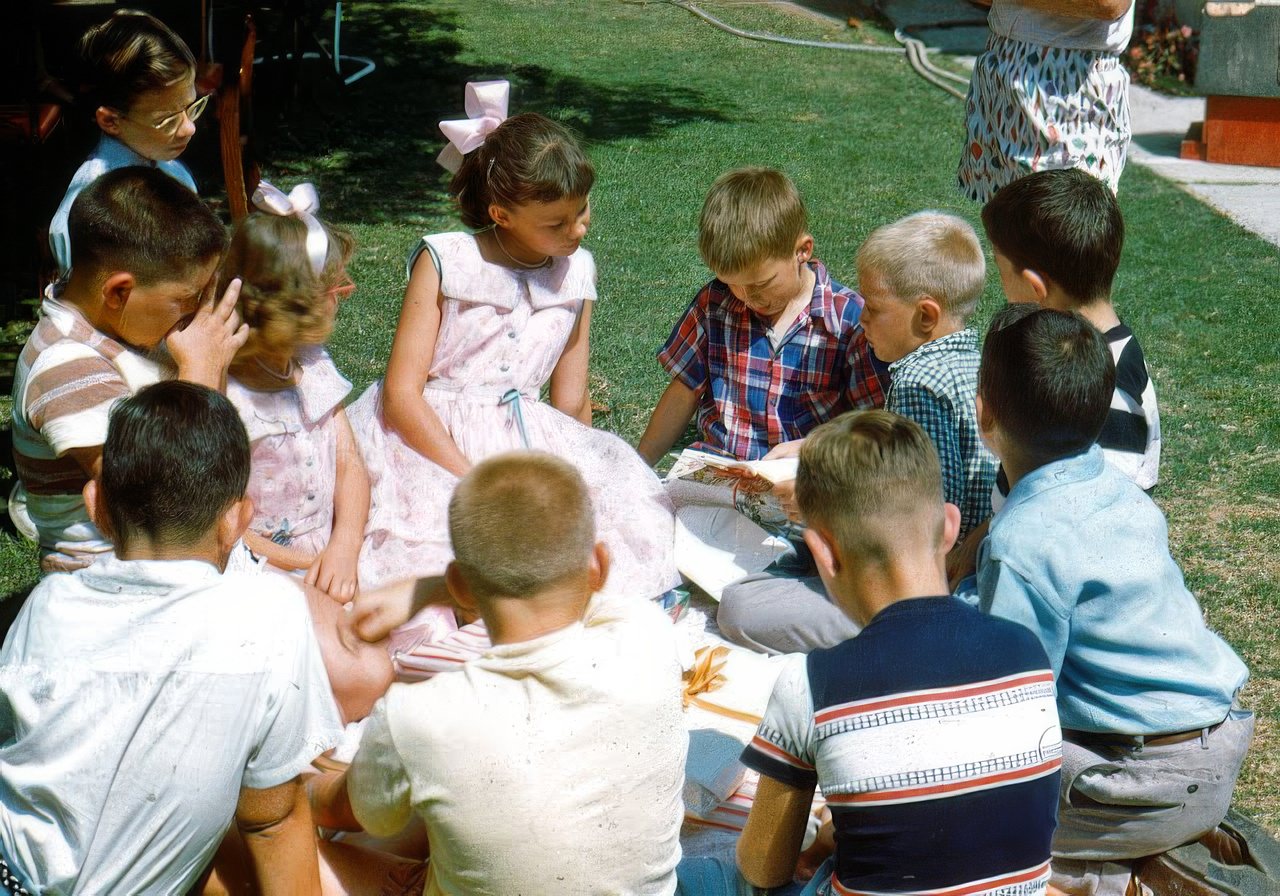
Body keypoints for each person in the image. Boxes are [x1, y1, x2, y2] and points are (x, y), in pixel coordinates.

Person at [0, 381, 343, 894]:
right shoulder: (271, 612)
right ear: (237, 520)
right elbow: (272, 820)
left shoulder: (47, 605)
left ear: (97, 506)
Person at [348, 79, 677, 613]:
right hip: (434, 444)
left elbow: (570, 401)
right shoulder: (446, 259)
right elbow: (402, 394)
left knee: (608, 535)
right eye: (558, 223)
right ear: (501, 215)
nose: (579, 230)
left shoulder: (578, 274)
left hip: (528, 436)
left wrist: (582, 471)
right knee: (441, 555)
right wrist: (469, 475)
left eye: (583, 211)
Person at [966, 305, 1252, 896]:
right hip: (1213, 744)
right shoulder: (1118, 492)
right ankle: (1167, 846)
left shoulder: (1021, 543)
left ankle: (1122, 878)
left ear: (985, 410)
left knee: (959, 821)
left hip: (1146, 781)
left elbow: (1011, 708)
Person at [309, 451, 687, 896]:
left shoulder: (419, 715)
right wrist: (439, 588)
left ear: (461, 586)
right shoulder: (651, 635)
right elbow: (576, 589)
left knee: (263, 835)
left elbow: (336, 809)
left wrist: (285, 781)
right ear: (599, 565)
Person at [728, 410, 1061, 896]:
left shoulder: (811, 684)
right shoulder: (1027, 652)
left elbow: (762, 869)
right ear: (949, 527)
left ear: (824, 553)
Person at [717, 212, 995, 655]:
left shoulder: (917, 383)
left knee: (741, 605)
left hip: (925, 595)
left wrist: (812, 501)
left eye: (874, 307)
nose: (861, 318)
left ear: (925, 316)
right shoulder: (970, 363)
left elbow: (926, 511)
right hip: (955, 582)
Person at [11, 166, 246, 572]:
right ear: (119, 291)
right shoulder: (66, 364)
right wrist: (202, 372)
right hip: (114, 581)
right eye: (189, 298)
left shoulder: (121, 323)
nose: (196, 313)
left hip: (176, 560)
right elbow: (160, 502)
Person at [949, 167, 1160, 585]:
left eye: (1000, 268)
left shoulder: (1108, 395)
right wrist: (982, 535)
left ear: (1034, 287)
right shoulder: (1082, 359)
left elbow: (1085, 528)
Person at [637, 166, 886, 466]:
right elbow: (685, 390)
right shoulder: (714, 303)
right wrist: (639, 464)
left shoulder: (848, 320)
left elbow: (874, 422)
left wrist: (816, 448)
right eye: (732, 283)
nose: (745, 296)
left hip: (809, 477)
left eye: (760, 284)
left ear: (802, 251)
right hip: (722, 469)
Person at [222, 181, 370, 603]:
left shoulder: (312, 366)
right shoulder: (226, 398)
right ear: (299, 307)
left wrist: (343, 546)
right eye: (337, 291)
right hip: (258, 569)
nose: (343, 298)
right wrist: (304, 568)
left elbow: (350, 466)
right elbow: (221, 524)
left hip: (331, 554)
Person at [49, 9, 205, 275]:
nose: (189, 128)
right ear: (111, 121)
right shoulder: (91, 210)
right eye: (167, 120)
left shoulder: (175, 173)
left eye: (192, 107)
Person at [958, 0, 1135, 203]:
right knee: (1002, 217)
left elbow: (1107, 4)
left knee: (1068, 218)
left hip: (1071, 80)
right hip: (1002, 62)